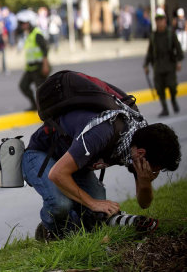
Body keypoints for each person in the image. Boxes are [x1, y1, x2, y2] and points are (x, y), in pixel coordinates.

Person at [22, 101, 181, 241]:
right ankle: (47, 230)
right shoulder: (103, 132)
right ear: (141, 154)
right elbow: (56, 174)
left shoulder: (137, 143)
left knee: (96, 216)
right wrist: (92, 203)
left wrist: (145, 183)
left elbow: (144, 203)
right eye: (156, 169)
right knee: (62, 204)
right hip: (41, 154)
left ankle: (69, 224)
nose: (154, 174)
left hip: (73, 164)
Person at [143, 9, 184, 117]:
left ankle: (174, 101)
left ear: (165, 20)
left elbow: (178, 50)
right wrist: (146, 65)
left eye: (161, 19)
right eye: (157, 19)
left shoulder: (171, 34)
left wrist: (178, 62)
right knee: (159, 89)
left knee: (172, 86)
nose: (159, 21)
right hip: (158, 66)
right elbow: (150, 52)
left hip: (170, 65)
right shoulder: (153, 36)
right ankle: (165, 109)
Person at [18, 12, 50, 110]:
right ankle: (35, 106)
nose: (23, 25)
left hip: (39, 67)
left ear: (30, 22)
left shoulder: (37, 34)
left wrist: (45, 65)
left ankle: (46, 110)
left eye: (25, 23)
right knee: (23, 86)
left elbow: (45, 50)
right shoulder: (28, 34)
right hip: (30, 68)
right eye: (22, 23)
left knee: (41, 91)